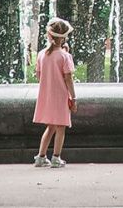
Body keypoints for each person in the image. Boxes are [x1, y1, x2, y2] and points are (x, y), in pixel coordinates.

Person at [33, 17, 77, 168]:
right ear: (63, 38)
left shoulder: (41, 54)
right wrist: (74, 97)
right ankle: (56, 157)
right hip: (60, 95)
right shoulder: (65, 56)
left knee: (50, 127)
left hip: (46, 95)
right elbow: (68, 78)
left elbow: (39, 76)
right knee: (60, 128)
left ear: (48, 35)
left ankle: (41, 156)